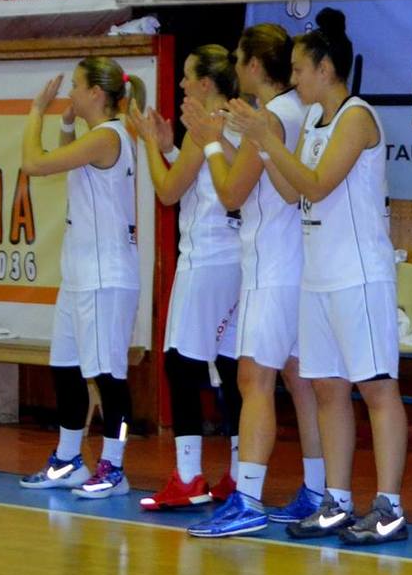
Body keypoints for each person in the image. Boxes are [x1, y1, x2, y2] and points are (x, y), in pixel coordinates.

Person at [236, 9, 409, 545]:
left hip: (359, 275)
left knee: (377, 389)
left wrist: (268, 139)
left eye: (299, 69)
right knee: (329, 388)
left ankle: (390, 505)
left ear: (326, 68)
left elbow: (317, 183)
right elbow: (292, 192)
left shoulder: (356, 117)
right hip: (318, 276)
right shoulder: (312, 119)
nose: (293, 79)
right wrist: (263, 143)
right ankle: (337, 499)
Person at [184, 24, 324, 538]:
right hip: (296, 263)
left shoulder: (270, 117)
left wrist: (209, 144)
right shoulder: (295, 110)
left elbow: (231, 193)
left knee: (253, 379)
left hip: (271, 264)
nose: (234, 67)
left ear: (254, 65)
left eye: (239, 58)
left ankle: (246, 499)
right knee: (298, 380)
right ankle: (317, 489)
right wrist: (222, 139)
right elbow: (275, 182)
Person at [17, 58, 144, 499]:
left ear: (96, 93)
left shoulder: (108, 136)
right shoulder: (97, 137)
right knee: (66, 367)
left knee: (110, 378)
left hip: (106, 277)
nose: (70, 92)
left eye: (76, 85)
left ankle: (115, 466)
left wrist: (37, 111)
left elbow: (34, 163)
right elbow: (71, 163)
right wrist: (67, 124)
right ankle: (69, 458)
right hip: (81, 274)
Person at [129, 45, 243, 511]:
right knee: (230, 367)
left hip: (207, 257)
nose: (180, 84)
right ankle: (238, 474)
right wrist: (169, 148)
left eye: (187, 76)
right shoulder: (238, 123)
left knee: (180, 364)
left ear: (206, 83)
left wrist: (148, 144)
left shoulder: (206, 126)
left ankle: (189, 475)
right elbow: (206, 180)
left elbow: (169, 190)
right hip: (237, 258)